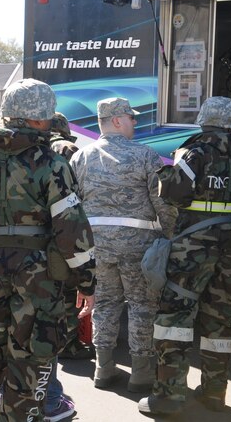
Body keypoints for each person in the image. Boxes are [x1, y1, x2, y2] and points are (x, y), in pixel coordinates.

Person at [0, 78, 96, 422]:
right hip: (38, 277)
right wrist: (87, 280)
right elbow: (70, 228)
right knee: (31, 353)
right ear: (36, 119)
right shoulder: (51, 163)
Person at [138, 96, 231, 416]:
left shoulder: (194, 152)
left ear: (204, 121)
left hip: (193, 246)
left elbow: (172, 193)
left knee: (175, 317)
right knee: (220, 318)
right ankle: (214, 392)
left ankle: (169, 396)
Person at [69, 98, 176, 394]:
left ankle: (103, 368)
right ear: (117, 120)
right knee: (141, 305)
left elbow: (72, 206)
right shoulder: (146, 156)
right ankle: (141, 373)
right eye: (131, 117)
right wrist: (170, 238)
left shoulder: (81, 157)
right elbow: (162, 204)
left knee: (104, 303)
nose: (135, 122)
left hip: (97, 247)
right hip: (137, 247)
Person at [44, 111, 87, 422]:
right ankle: (50, 397)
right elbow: (73, 201)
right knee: (60, 309)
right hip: (58, 246)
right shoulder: (66, 152)